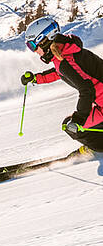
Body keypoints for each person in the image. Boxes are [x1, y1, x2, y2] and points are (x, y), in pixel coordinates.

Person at [21, 16, 103, 152]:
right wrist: (36, 79)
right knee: (75, 123)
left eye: (33, 45)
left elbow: (87, 90)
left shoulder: (64, 60)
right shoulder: (66, 50)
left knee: (70, 126)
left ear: (44, 40)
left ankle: (98, 147)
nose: (34, 51)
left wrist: (79, 119)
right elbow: (60, 73)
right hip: (100, 100)